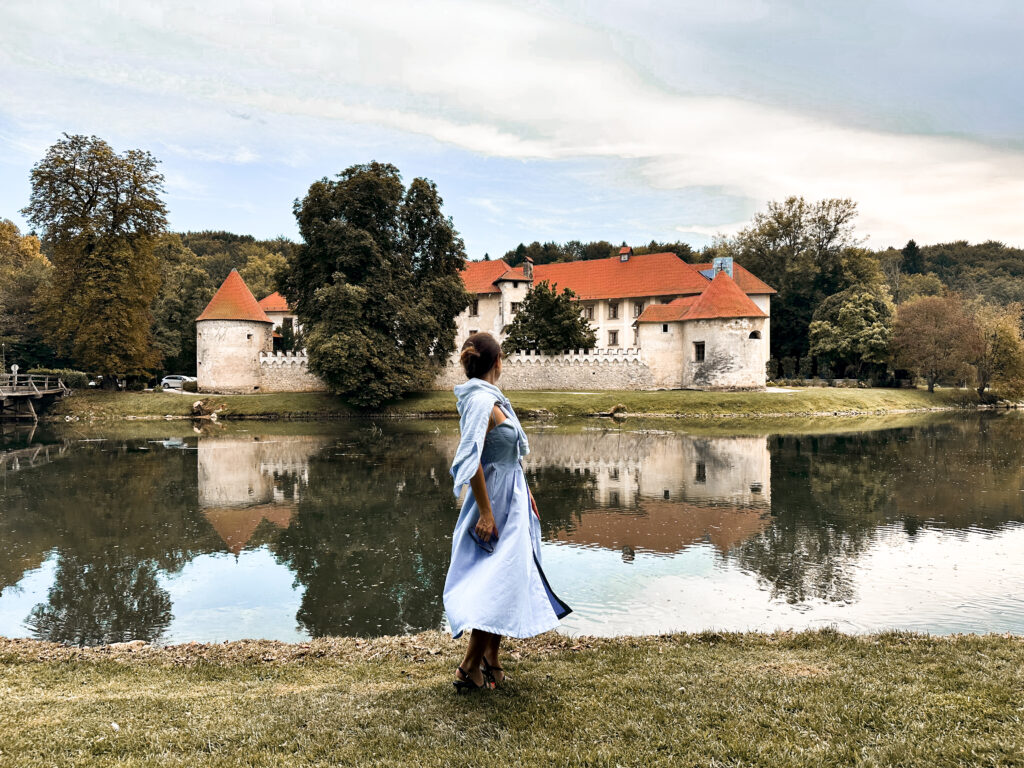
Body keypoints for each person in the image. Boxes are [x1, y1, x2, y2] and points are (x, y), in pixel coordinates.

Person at [444, 332, 572, 693]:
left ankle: (491, 658)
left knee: (511, 576)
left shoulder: (492, 398)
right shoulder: (480, 402)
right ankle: (469, 665)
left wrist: (527, 496)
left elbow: (509, 457)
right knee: (496, 580)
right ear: (497, 361)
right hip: (495, 503)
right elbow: (472, 462)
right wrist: (486, 513)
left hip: (512, 497)